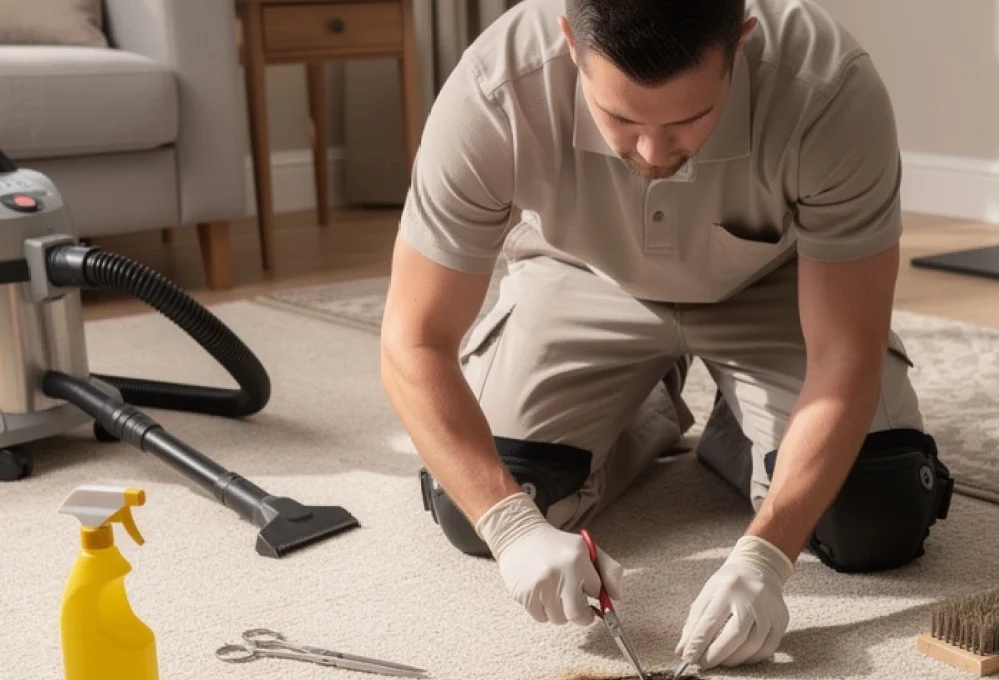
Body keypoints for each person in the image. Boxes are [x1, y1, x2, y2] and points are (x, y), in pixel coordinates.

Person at [380, 0, 954, 671]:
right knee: (474, 503)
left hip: (781, 288)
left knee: (873, 514)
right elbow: (412, 342)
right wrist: (510, 525)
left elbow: (845, 351)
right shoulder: (494, 90)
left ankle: (739, 428)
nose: (653, 153)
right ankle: (650, 402)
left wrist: (767, 554)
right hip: (581, 276)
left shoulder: (828, 89)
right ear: (569, 42)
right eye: (620, 118)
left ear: (741, 43)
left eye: (689, 119)